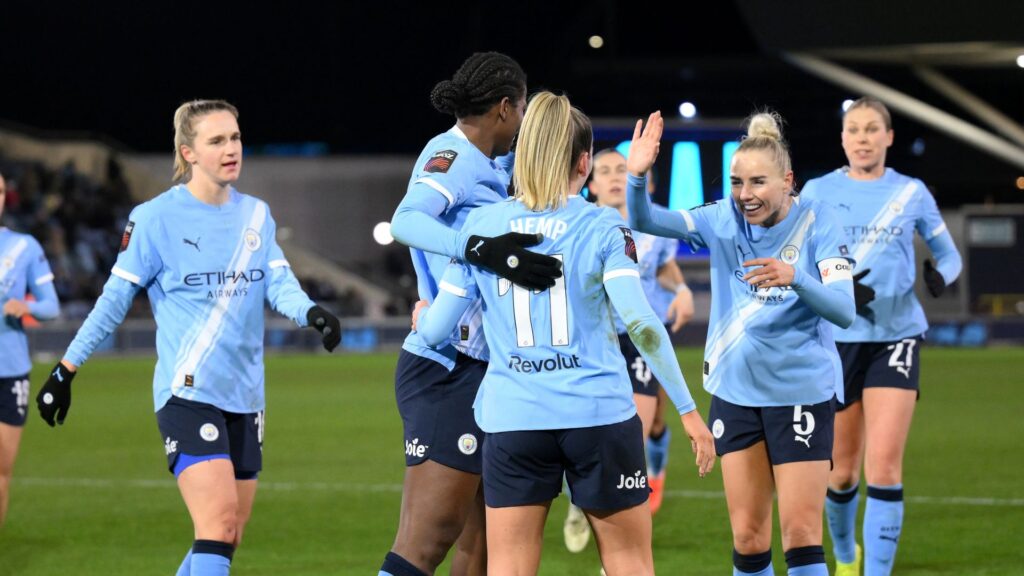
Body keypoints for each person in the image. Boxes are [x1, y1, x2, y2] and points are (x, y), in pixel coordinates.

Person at [413, 91, 715, 576]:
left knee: (508, 567)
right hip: (597, 415)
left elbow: (435, 332)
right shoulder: (603, 228)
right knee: (629, 562)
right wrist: (687, 410)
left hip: (514, 418)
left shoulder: (482, 227)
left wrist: (422, 314)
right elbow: (641, 324)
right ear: (584, 163)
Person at [34, 100, 341, 576]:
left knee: (226, 534)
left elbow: (278, 282)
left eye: (235, 137)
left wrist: (312, 312)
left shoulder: (256, 215)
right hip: (187, 391)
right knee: (217, 525)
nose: (231, 148)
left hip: (246, 395)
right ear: (188, 152)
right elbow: (113, 301)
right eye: (216, 140)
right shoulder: (155, 218)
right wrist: (65, 368)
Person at [628, 110, 856, 576]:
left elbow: (845, 310)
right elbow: (645, 218)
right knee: (749, 539)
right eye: (736, 182)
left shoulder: (819, 222)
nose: (745, 195)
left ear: (788, 180)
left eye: (757, 183)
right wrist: (637, 174)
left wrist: (797, 278)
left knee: (800, 537)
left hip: (801, 395)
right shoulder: (722, 218)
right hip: (735, 395)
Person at [382, 52, 562, 576]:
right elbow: (406, 219)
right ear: (505, 108)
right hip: (447, 364)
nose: (525, 121)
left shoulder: (491, 162)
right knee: (428, 541)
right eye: (523, 109)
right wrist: (480, 248)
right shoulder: (452, 155)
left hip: (486, 368)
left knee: (482, 547)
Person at [801, 97, 962, 576]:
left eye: (873, 129)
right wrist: (836, 287)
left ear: (889, 137)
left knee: (884, 468)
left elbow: (949, 255)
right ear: (843, 138)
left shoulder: (911, 193)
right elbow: (798, 258)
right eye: (855, 129)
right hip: (837, 341)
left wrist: (940, 277)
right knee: (843, 472)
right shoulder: (816, 191)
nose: (864, 138)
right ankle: (847, 555)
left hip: (897, 337)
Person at [0, 170, 61, 527]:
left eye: (1, 191)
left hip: (10, 373)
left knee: (2, 474)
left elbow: (50, 305)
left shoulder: (24, 247)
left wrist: (26, 307)